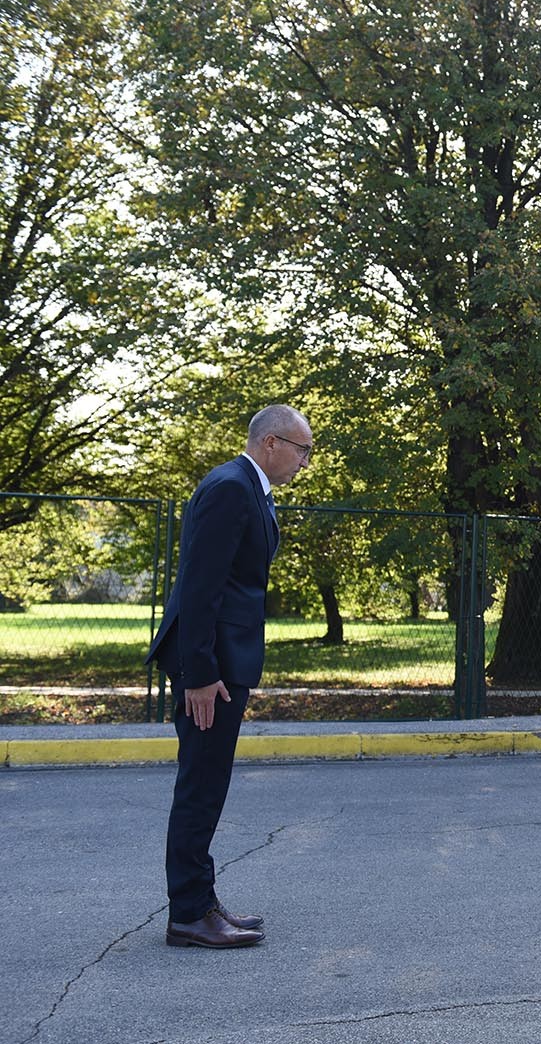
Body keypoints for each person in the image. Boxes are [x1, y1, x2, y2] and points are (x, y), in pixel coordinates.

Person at [149, 404, 312, 949]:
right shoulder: (230, 487)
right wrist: (200, 673)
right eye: (300, 449)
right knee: (201, 785)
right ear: (270, 442)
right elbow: (200, 585)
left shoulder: (247, 487)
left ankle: (201, 899)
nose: (304, 461)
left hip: (221, 662)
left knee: (207, 782)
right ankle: (190, 914)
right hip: (210, 669)